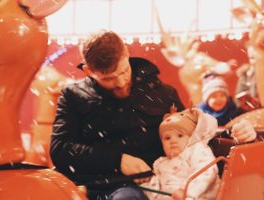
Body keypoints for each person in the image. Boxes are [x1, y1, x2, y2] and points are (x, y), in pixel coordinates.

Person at [50, 30, 257, 200]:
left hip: (166, 183)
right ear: (88, 71)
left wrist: (234, 133)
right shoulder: (73, 97)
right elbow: (60, 149)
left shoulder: (162, 92)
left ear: (127, 54)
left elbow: (193, 135)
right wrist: (117, 160)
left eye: (123, 72)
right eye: (108, 79)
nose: (121, 83)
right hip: (107, 187)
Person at [142, 108, 220, 200]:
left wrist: (186, 192)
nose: (173, 141)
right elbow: (155, 189)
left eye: (180, 136)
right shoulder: (160, 163)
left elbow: (207, 172)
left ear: (191, 137)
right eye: (167, 138)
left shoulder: (196, 150)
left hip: (198, 196)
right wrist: (146, 184)